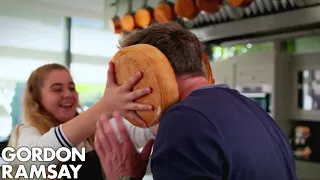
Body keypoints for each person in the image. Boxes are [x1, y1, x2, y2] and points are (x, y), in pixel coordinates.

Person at [94, 21, 298, 180]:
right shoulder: (253, 110)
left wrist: (123, 176)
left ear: (151, 75)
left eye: (131, 85)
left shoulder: (183, 120)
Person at [7, 62, 156, 179]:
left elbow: (141, 130)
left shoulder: (93, 131)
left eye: (72, 88)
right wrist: (105, 107)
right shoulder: (26, 131)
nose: (68, 94)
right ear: (37, 99)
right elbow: (34, 159)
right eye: (57, 89)